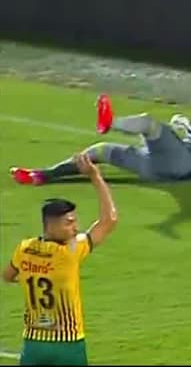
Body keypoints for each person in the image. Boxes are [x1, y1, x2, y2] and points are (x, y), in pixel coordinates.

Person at [2, 154, 119, 366]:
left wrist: (34, 274)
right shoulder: (69, 252)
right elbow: (109, 219)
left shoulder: (24, 249)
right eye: (69, 223)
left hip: (34, 343)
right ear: (51, 225)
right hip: (68, 343)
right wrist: (95, 176)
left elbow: (8, 276)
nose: (75, 228)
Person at [10, 94, 191, 186]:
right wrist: (183, 130)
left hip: (183, 167)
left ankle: (110, 122)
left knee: (149, 123)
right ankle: (43, 175)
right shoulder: (187, 127)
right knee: (101, 150)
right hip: (153, 167)